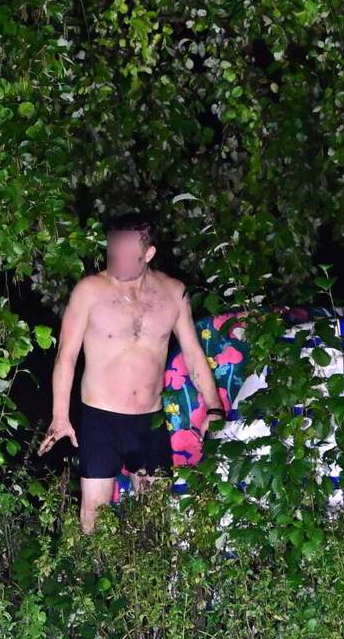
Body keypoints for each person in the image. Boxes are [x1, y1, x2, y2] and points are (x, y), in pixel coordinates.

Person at [37, 211, 222, 533]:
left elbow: (193, 354)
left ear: (148, 254)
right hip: (101, 418)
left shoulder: (173, 293)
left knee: (156, 512)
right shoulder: (89, 291)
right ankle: (89, 575)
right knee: (94, 511)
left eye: (126, 253)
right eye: (113, 251)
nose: (117, 258)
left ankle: (147, 579)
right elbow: (66, 356)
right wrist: (60, 417)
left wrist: (214, 406)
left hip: (149, 419)